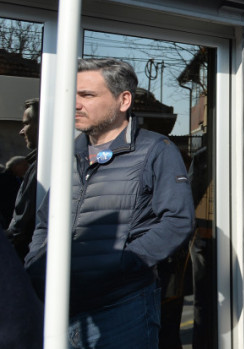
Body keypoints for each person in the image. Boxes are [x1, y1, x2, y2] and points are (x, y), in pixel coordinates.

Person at [24, 58, 195, 349]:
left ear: (123, 99)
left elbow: (177, 221)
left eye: (87, 95)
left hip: (121, 308)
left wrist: (123, 265)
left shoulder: (155, 150)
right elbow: (46, 220)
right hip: (60, 307)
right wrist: (36, 264)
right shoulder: (72, 153)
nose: (75, 104)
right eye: (72, 95)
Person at [5, 98, 40, 262]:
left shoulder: (43, 167)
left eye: (26, 123)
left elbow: (20, 226)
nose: (21, 131)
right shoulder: (36, 164)